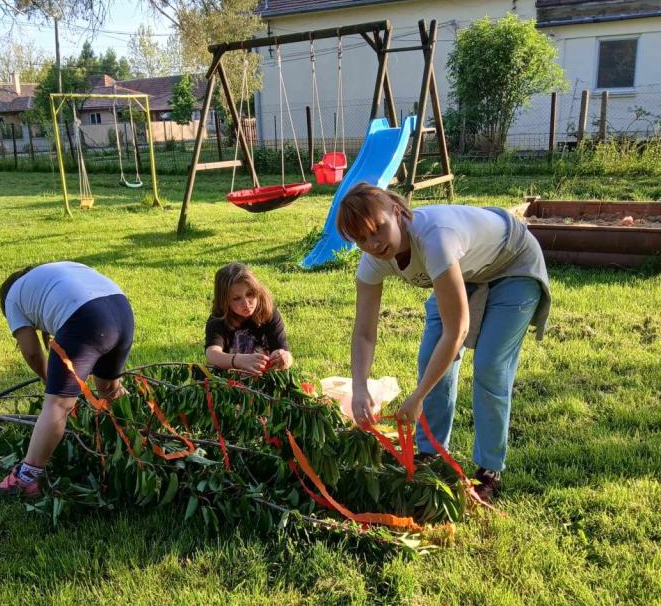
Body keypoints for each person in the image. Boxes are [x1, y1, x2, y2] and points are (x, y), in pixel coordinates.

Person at [337, 183, 550, 502]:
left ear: (396, 212)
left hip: (512, 260)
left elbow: (457, 330)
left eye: (378, 228)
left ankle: (489, 471)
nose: (374, 243)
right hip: (465, 269)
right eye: (362, 239)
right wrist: (359, 387)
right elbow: (364, 332)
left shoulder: (434, 239)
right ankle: (431, 453)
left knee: (490, 366)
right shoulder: (373, 259)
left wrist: (418, 397)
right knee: (431, 361)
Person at [0, 261, 135, 499]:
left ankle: (25, 480)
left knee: (58, 405)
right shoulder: (53, 273)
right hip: (122, 311)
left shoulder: (12, 297)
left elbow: (32, 352)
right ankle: (139, 441)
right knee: (110, 390)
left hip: (85, 319)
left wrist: (50, 382)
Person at [204, 262, 293, 376]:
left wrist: (284, 358)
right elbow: (212, 354)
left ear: (257, 291)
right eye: (236, 298)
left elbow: (283, 350)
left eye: (250, 294)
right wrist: (238, 360)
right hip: (229, 381)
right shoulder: (218, 318)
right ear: (224, 301)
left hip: (265, 379)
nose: (246, 303)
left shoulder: (268, 313)